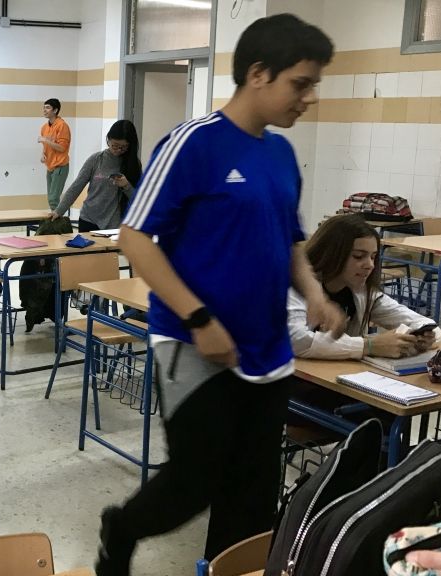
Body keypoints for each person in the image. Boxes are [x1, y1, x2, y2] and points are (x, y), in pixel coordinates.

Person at [99, 14, 342, 575]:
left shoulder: (280, 155)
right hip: (191, 342)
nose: (310, 98)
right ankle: (123, 527)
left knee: (253, 492)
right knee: (195, 478)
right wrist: (200, 316)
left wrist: (314, 295)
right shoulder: (193, 143)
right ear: (258, 73)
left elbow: (290, 243)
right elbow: (135, 239)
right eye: (301, 83)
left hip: (267, 350)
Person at [289, 214, 439, 359]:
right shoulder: (296, 289)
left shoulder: (363, 292)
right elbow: (296, 341)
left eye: (373, 257)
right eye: (358, 256)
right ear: (331, 254)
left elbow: (424, 323)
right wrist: (369, 346)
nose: (370, 265)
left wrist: (423, 336)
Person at [50, 119, 142, 233]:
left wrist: (126, 186)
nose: (118, 150)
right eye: (114, 145)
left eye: (123, 147)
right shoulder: (96, 159)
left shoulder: (133, 165)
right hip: (88, 220)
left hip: (114, 225)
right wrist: (59, 211)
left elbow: (139, 200)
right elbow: (76, 187)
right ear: (108, 140)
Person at [38, 98, 71, 211]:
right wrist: (43, 154)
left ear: (55, 110)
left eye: (47, 107)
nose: (44, 110)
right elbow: (46, 146)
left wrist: (45, 140)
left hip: (60, 165)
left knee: (53, 199)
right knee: (51, 197)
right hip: (50, 166)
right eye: (44, 107)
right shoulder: (44, 127)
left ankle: (57, 224)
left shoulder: (62, 126)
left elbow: (62, 148)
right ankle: (55, 221)